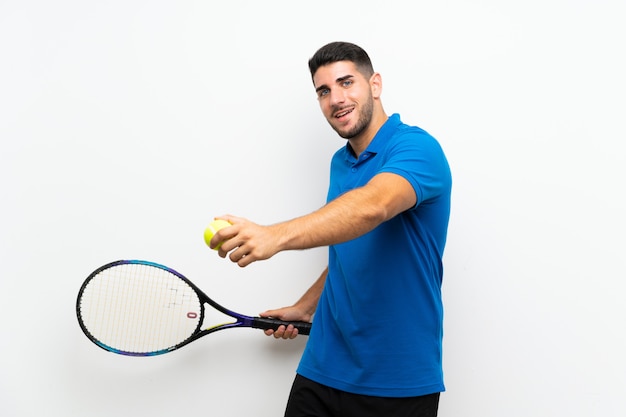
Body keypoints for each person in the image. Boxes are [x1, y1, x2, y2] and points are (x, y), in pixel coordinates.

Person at [209, 41, 452, 417]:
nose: (336, 98)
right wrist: (307, 307)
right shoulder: (341, 163)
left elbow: (373, 207)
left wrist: (274, 235)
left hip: (397, 378)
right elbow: (353, 246)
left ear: (375, 85)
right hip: (323, 367)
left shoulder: (417, 149)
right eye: (324, 91)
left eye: (346, 83)